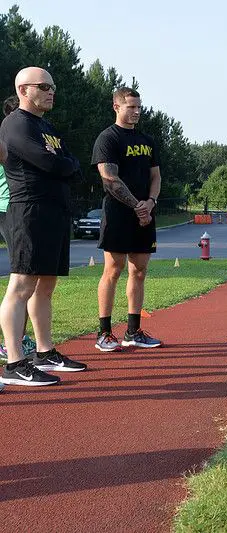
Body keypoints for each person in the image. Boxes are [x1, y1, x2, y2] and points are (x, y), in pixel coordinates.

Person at [0, 66, 87, 386]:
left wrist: (66, 165)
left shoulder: (45, 126)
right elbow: (51, 162)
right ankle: (14, 363)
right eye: (44, 86)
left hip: (53, 212)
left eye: (52, 86)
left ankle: (44, 351)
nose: (51, 91)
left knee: (45, 286)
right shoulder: (15, 125)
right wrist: (65, 165)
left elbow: (70, 163)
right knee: (21, 286)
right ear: (24, 90)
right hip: (29, 212)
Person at [91, 87, 162, 351]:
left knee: (139, 270)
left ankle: (133, 331)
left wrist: (150, 204)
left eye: (139, 107)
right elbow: (109, 178)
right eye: (131, 107)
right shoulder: (107, 138)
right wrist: (136, 206)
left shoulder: (147, 140)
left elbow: (156, 177)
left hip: (145, 212)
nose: (136, 112)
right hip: (119, 213)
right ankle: (104, 333)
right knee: (113, 270)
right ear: (116, 107)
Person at [0, 95, 38, 361]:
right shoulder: (14, 137)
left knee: (26, 278)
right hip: (11, 208)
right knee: (22, 278)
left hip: (11, 208)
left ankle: (17, 340)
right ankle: (13, 343)